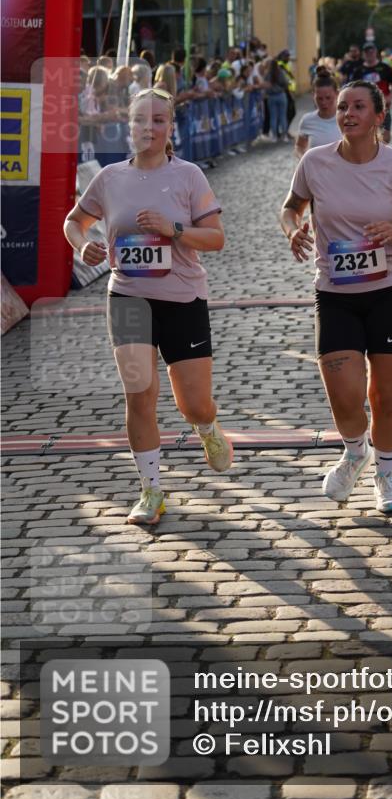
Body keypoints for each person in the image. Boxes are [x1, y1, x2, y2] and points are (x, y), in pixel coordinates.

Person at [63, 87, 234, 526]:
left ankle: (207, 428)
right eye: (141, 120)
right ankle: (151, 489)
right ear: (129, 125)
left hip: (182, 298)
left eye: (158, 120)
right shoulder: (110, 178)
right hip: (127, 296)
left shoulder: (189, 176)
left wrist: (174, 228)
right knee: (139, 394)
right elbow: (74, 221)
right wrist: (83, 245)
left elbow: (215, 238)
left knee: (194, 404)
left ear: (170, 127)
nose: (149, 128)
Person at [280, 80, 392, 513]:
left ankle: (386, 476)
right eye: (343, 107)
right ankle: (355, 452)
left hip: (390, 293)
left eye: (358, 107)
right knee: (344, 395)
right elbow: (291, 207)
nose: (347, 114)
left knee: (384, 397)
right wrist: (292, 229)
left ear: (378, 117)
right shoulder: (315, 163)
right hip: (335, 295)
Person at [351, 43, 392, 143]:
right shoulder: (359, 70)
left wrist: (390, 96)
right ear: (363, 54)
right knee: (367, 136)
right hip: (364, 109)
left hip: (383, 108)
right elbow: (352, 89)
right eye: (367, 52)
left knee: (386, 137)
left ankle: (379, 150)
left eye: (372, 51)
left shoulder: (384, 68)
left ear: (376, 52)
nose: (370, 54)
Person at [295, 67, 341, 158]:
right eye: (319, 98)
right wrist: (304, 160)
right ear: (313, 95)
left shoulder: (346, 119)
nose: (324, 102)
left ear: (337, 93)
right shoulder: (307, 120)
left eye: (328, 98)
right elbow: (299, 146)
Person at [264, 58, 290, 143]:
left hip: (271, 96)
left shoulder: (268, 74)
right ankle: (285, 136)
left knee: (273, 117)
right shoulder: (281, 72)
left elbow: (265, 85)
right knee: (283, 116)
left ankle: (274, 136)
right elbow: (286, 83)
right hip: (281, 95)